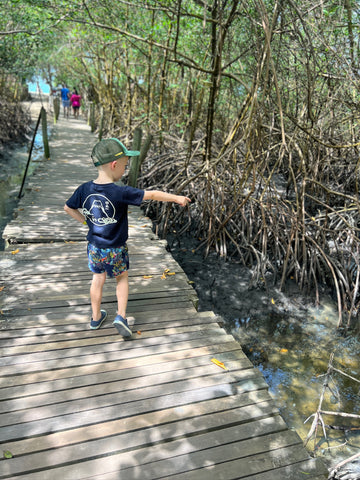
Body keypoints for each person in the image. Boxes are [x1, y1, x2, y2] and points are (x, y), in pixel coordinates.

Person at [64, 138, 191, 337]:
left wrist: (85, 222)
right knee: (121, 279)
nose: (124, 170)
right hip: (116, 248)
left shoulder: (84, 189)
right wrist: (176, 198)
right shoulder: (120, 192)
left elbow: (68, 207)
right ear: (114, 165)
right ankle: (121, 316)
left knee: (97, 279)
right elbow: (153, 195)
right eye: (124, 166)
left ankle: (96, 317)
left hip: (94, 247)